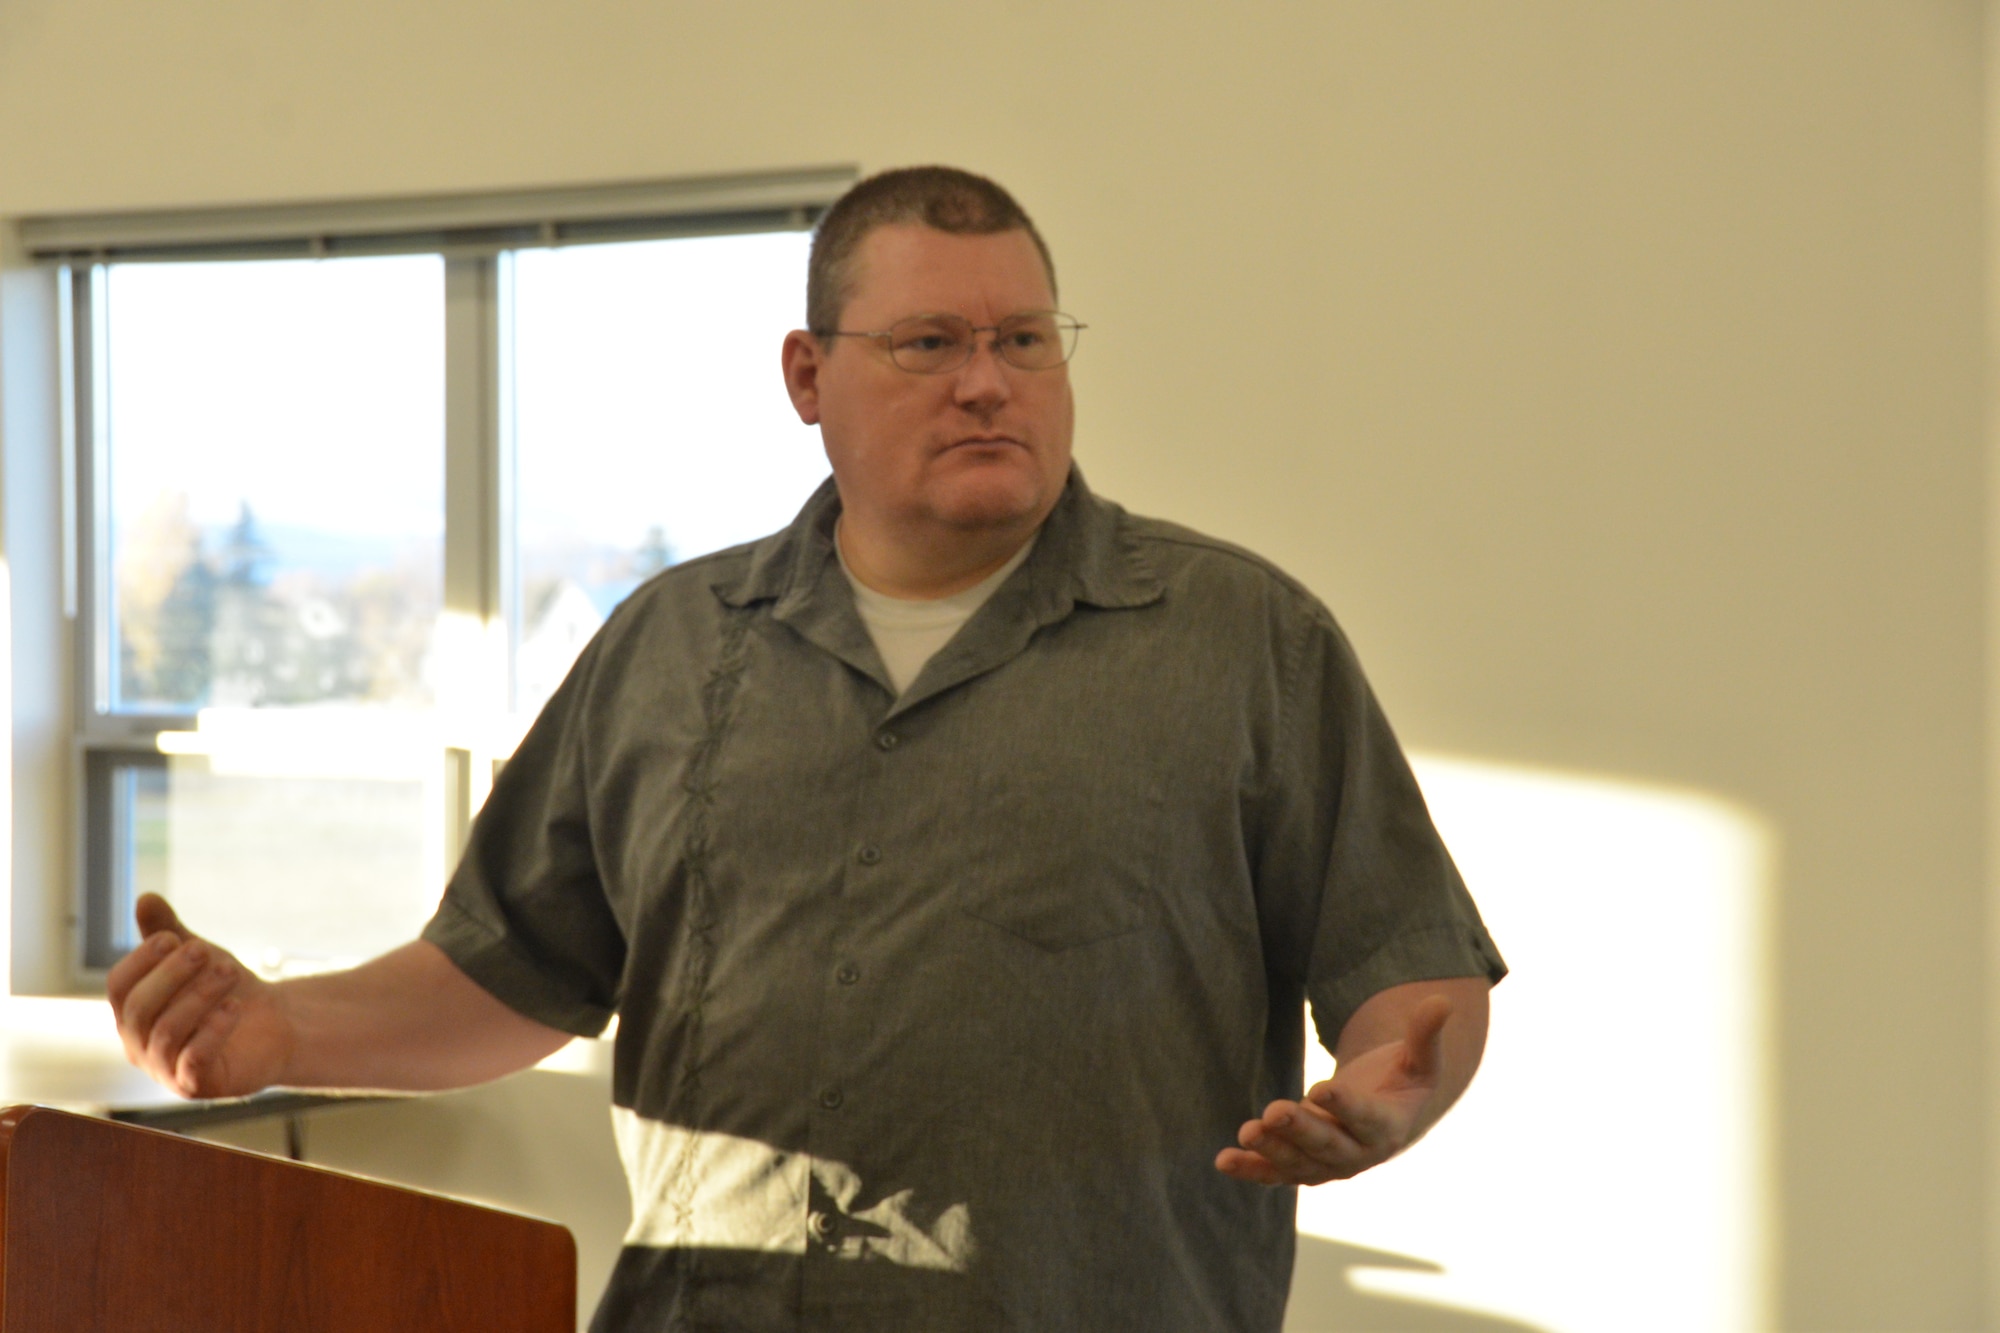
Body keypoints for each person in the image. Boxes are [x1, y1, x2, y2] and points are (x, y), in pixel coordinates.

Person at [109, 166, 1505, 1332]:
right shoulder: (669, 642)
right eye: (930, 343)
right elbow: (515, 971)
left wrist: (1394, 1091)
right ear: (807, 373)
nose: (987, 383)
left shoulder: (1240, 639)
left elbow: (1411, 974)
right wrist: (281, 1028)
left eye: (1025, 340)